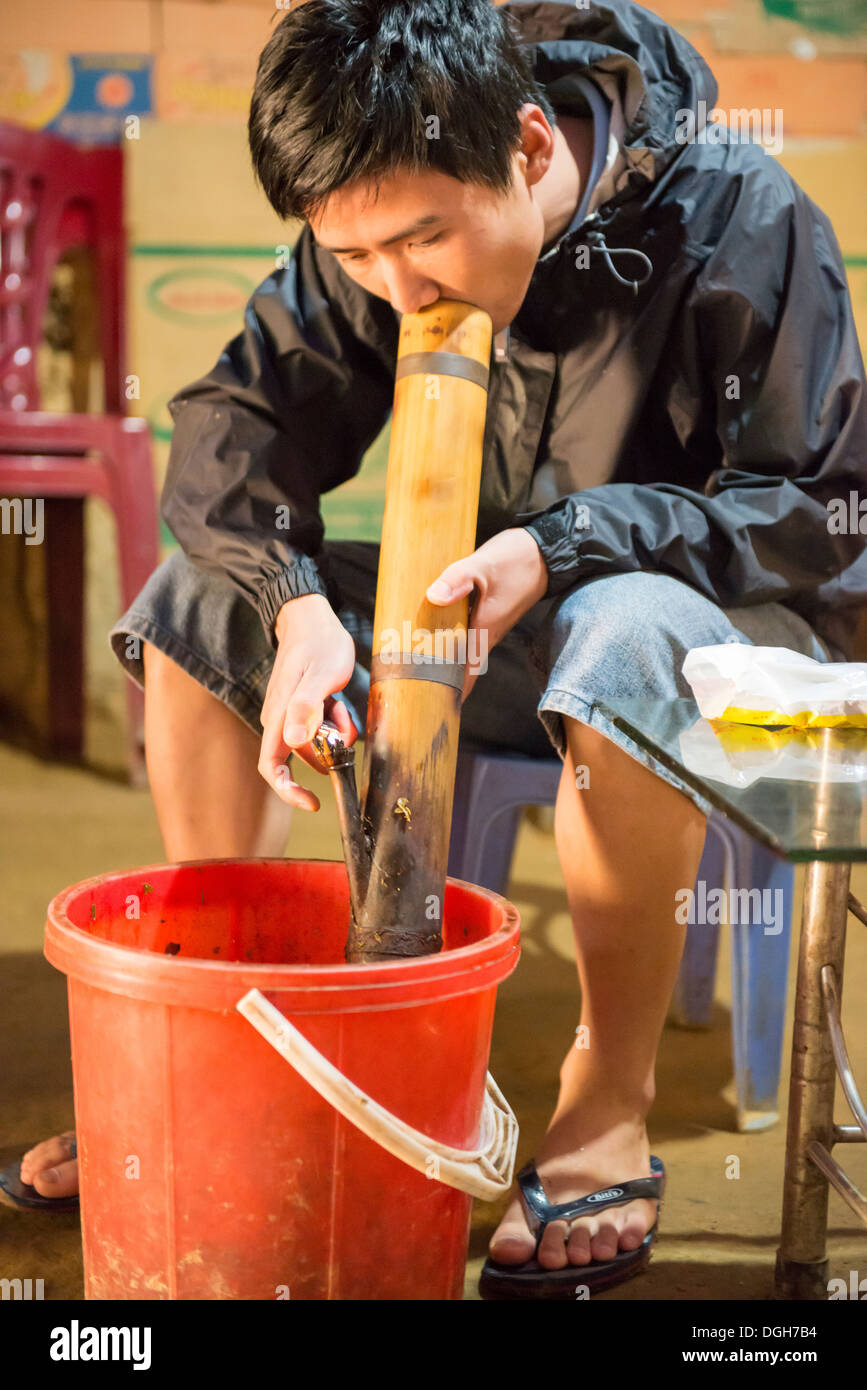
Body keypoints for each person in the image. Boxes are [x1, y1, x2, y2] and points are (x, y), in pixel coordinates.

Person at [6, 0, 865, 1299]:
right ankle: (216, 1047)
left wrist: (572, 543)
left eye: (421, 239)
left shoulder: (744, 218)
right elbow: (237, 426)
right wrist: (295, 602)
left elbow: (811, 511)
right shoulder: (378, 232)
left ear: (530, 148)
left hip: (706, 639)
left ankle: (604, 1097)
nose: (395, 289)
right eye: (352, 256)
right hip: (492, 629)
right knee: (203, 599)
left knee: (618, 626)